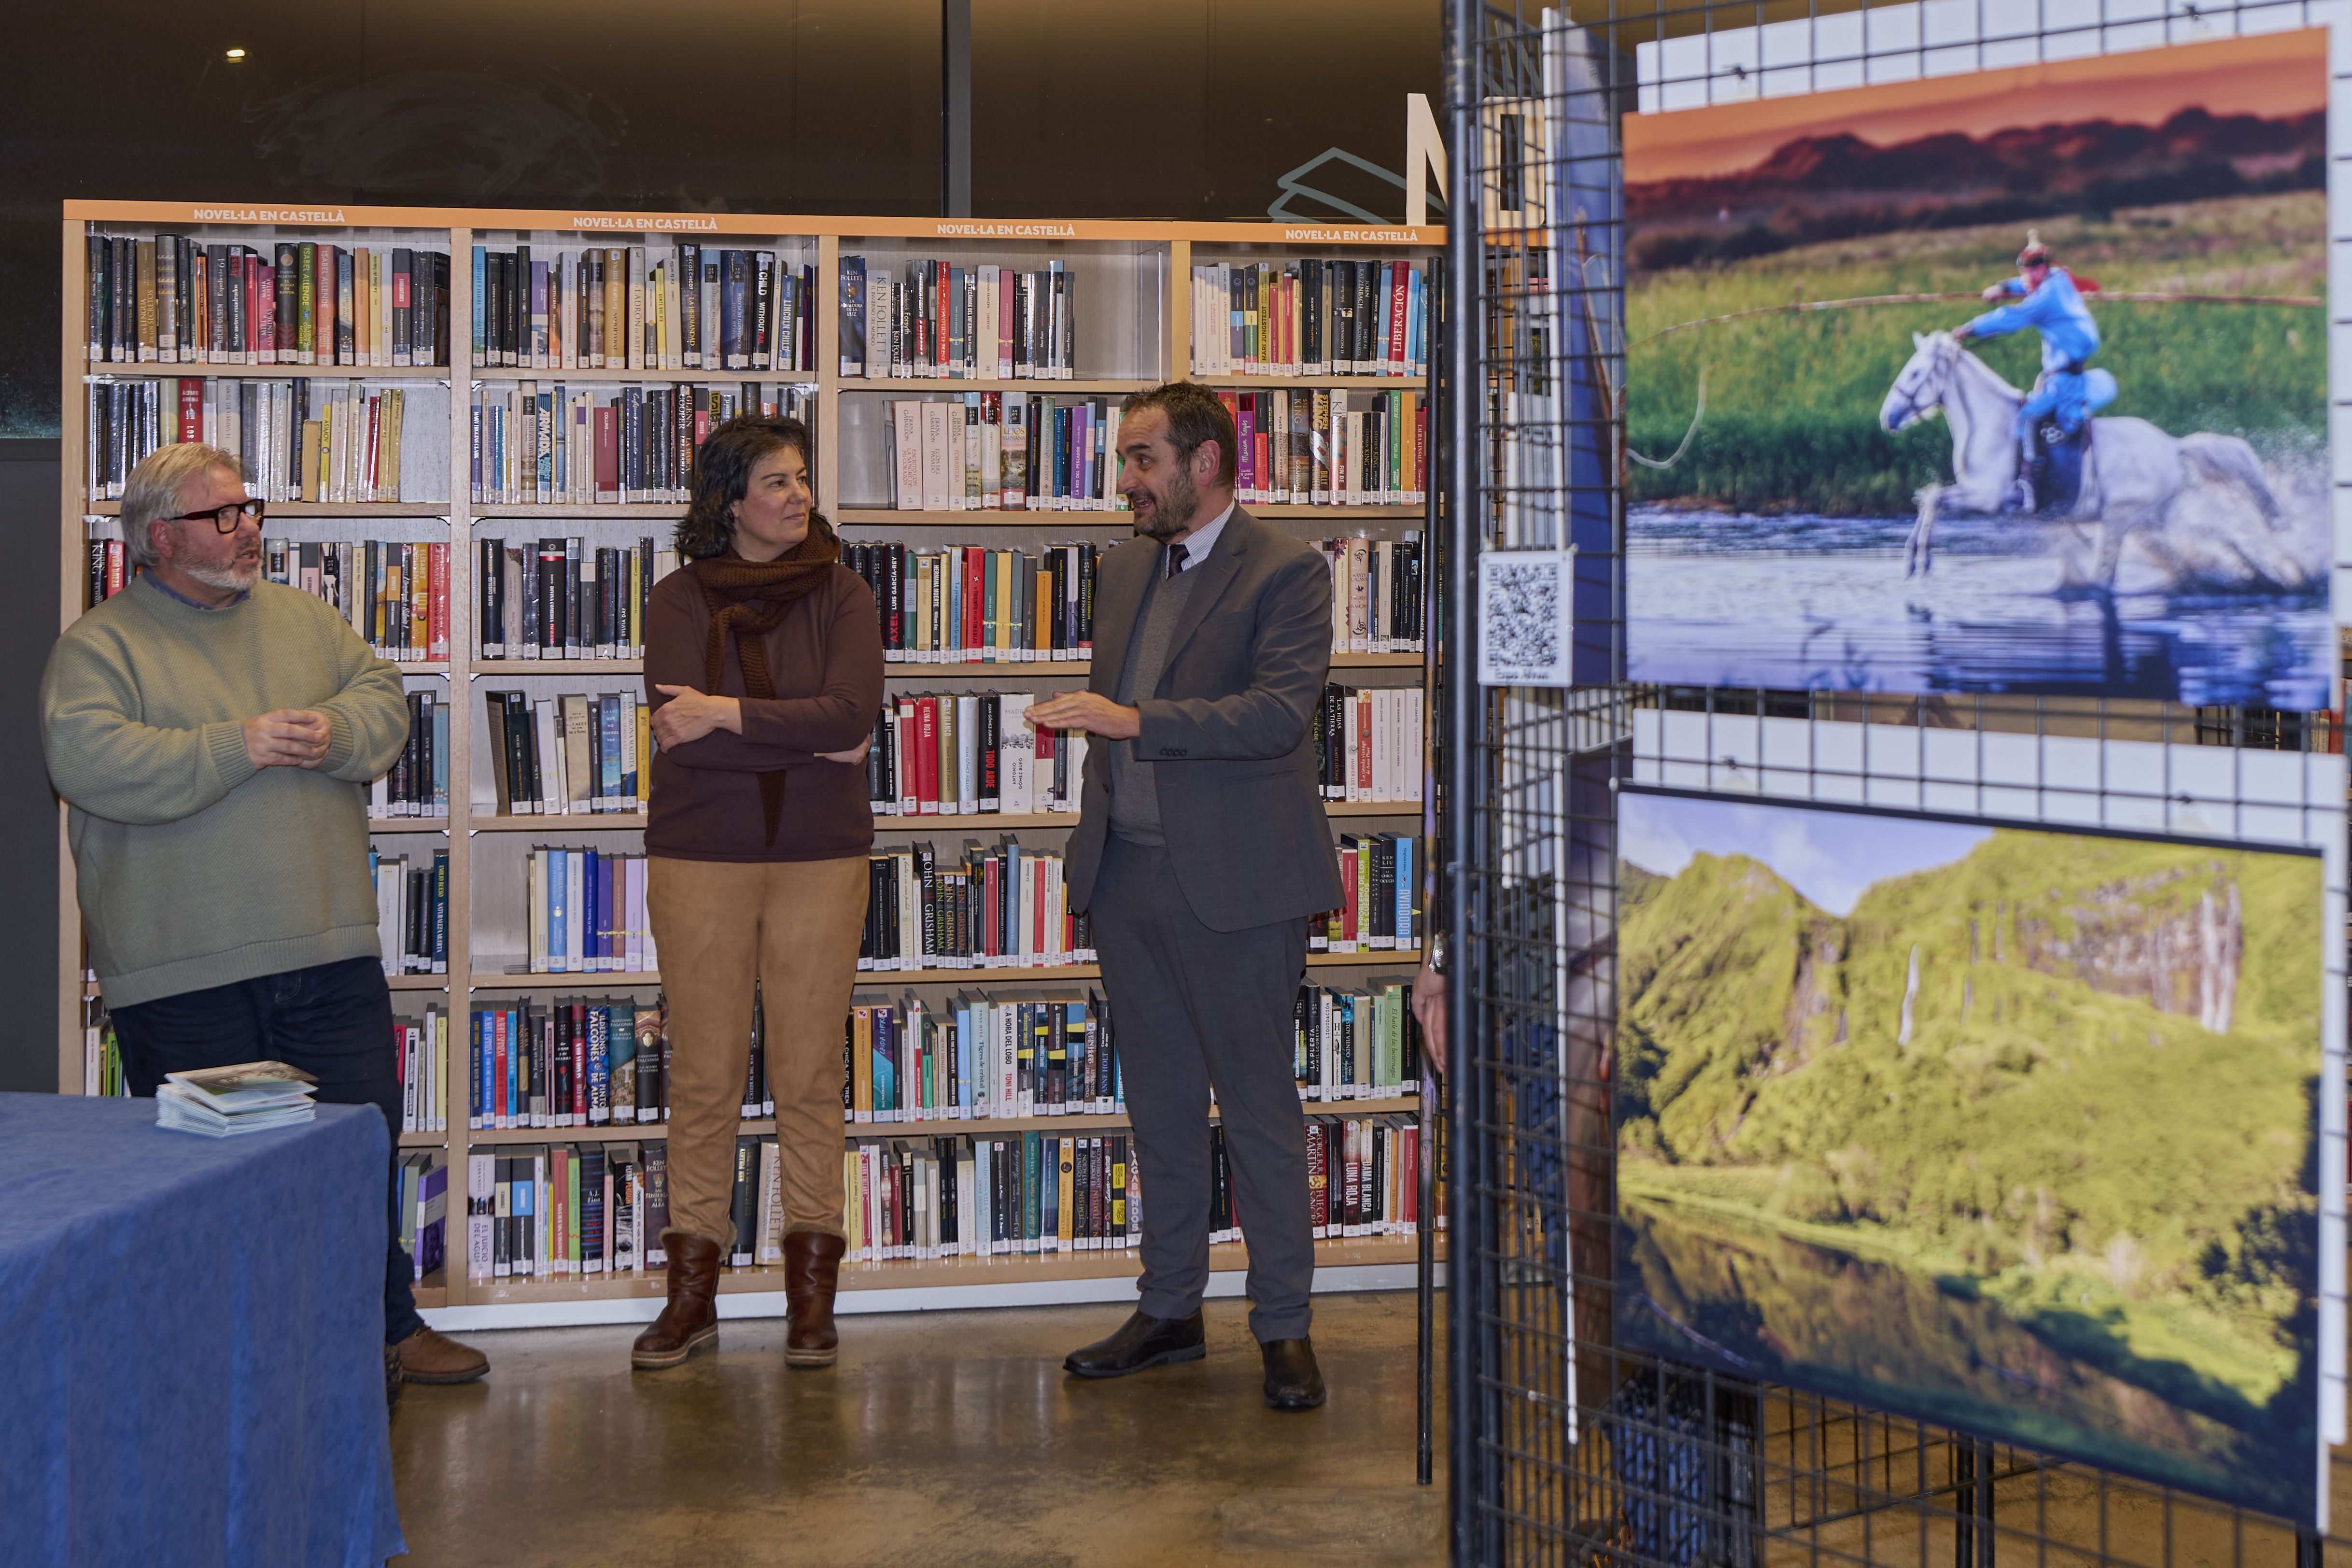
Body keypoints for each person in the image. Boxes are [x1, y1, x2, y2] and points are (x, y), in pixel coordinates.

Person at [40, 440, 489, 1394]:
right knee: (223, 1176)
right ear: (160, 537)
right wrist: (236, 745)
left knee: (358, 1143)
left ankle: (388, 1326)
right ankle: (240, 1357)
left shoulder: (305, 621)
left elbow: (383, 699)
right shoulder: (99, 647)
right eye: (223, 516)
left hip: (324, 943)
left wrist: (338, 734)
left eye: (250, 510)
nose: (248, 530)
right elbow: (88, 762)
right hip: (185, 964)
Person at [1029, 381, 1343, 1412]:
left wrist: (1131, 721)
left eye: (1139, 459)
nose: (1125, 480)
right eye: (1124, 460)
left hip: (1238, 885)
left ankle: (1283, 1328)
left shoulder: (1286, 571)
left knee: (1257, 1111)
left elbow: (1274, 716)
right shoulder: (1122, 570)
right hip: (1127, 874)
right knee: (1158, 1107)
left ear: (1202, 464)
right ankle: (1166, 1310)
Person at [630, 415, 883, 1372]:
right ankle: (690, 1299)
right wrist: (806, 734)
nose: (797, 497)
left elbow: (852, 717)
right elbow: (675, 725)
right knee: (703, 1078)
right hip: (702, 856)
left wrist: (727, 715)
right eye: (775, 483)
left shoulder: (846, 594)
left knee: (810, 1076)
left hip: (821, 854)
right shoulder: (677, 599)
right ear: (730, 501)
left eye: (802, 480)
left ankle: (809, 1305)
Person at [1953, 230, 2114, 509]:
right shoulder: (2060, 279)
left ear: (2043, 268)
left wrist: (1969, 330)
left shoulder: (2044, 301)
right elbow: (2025, 286)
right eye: (2025, 270)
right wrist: (2003, 288)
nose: (2028, 275)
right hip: (2064, 372)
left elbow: (2010, 318)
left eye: (2033, 269)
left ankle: (2026, 485)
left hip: (2063, 381)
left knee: (2027, 417)